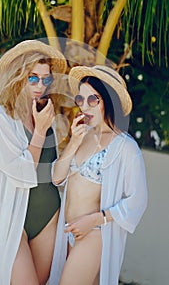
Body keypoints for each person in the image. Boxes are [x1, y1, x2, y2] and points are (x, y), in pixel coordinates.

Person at [49, 65, 148, 285]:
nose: (85, 107)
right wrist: (73, 141)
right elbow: (57, 177)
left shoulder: (125, 147)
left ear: (109, 101)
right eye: (80, 100)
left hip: (94, 233)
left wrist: (95, 219)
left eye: (93, 100)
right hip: (67, 234)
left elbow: (138, 200)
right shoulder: (82, 137)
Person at [0, 39, 67, 285]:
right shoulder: (0, 119)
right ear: (18, 76)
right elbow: (20, 174)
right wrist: (39, 132)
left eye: (46, 79)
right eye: (33, 78)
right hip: (13, 222)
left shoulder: (46, 117)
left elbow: (53, 172)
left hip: (48, 217)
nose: (40, 85)